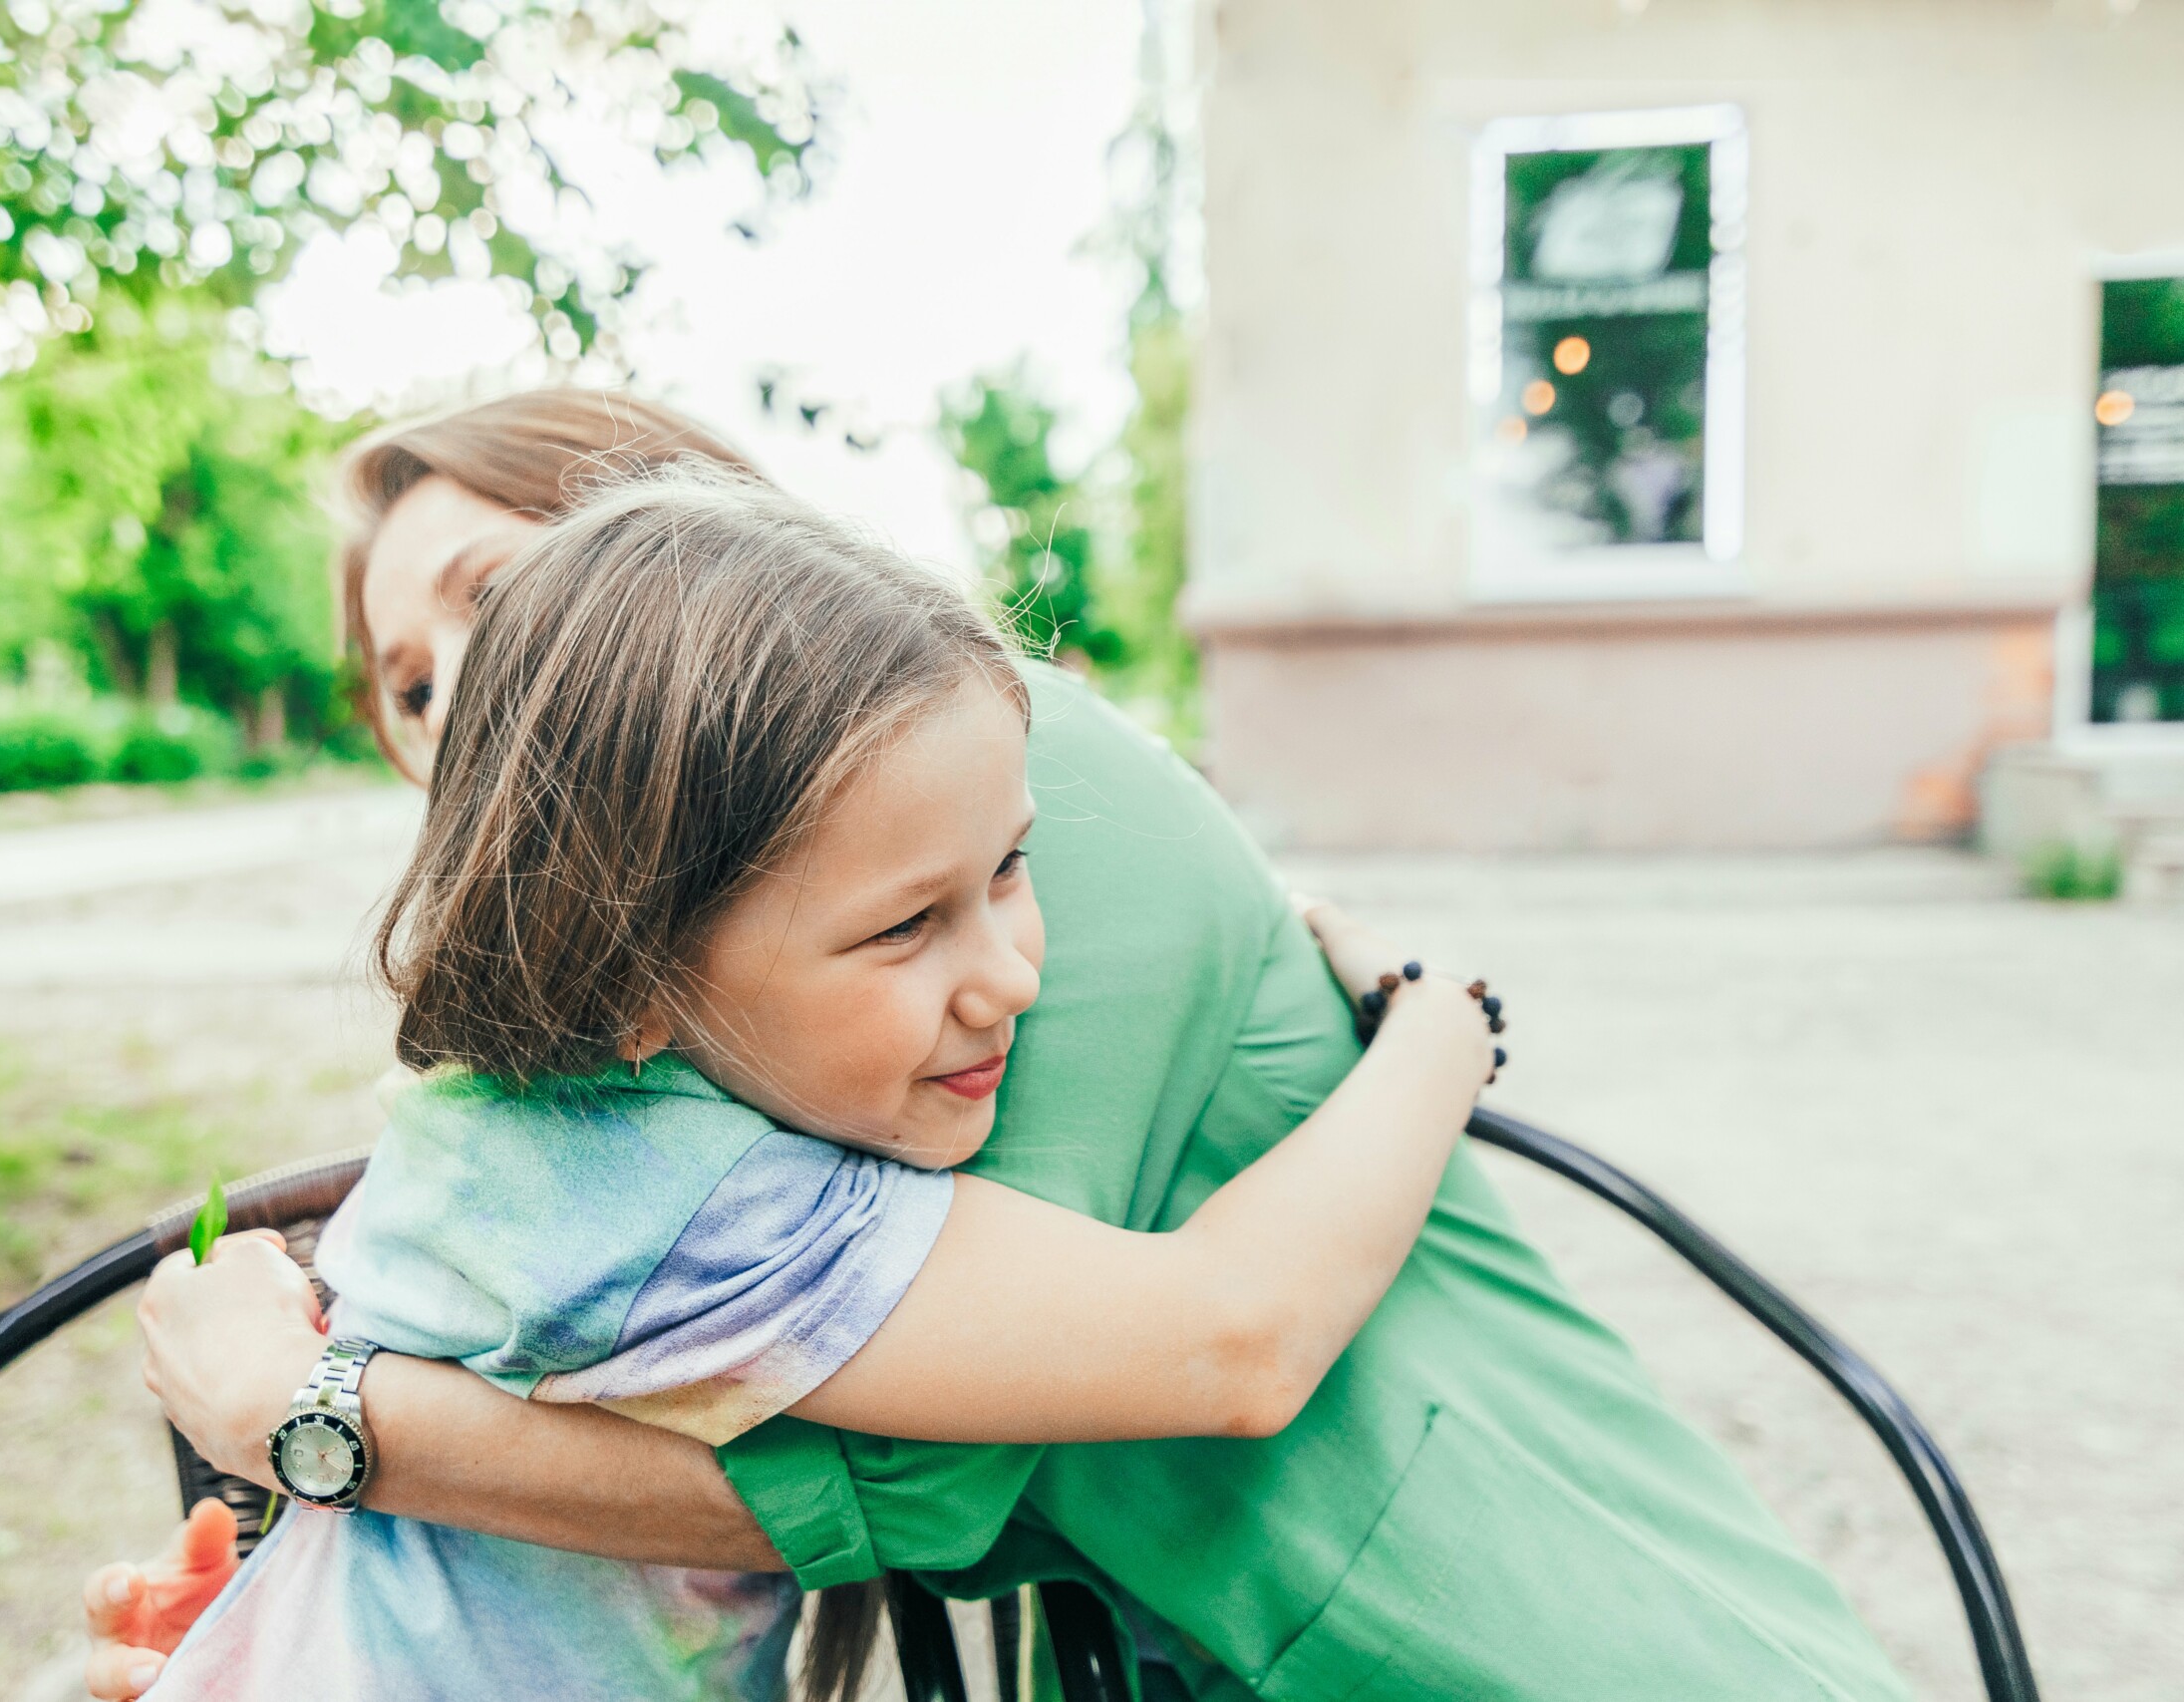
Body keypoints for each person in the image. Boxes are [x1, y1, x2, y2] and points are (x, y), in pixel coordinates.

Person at [94, 390, 1907, 1702]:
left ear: (692, 540)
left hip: (1530, 1622)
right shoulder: (624, 1063)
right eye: (412, 684)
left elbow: (916, 1479)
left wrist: (313, 1425)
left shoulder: (959, 777)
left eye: (499, 592)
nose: (471, 695)